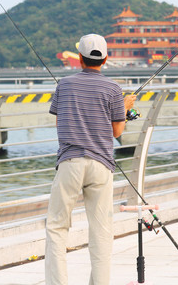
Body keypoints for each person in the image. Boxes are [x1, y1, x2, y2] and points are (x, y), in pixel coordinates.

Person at [45, 34, 137, 285]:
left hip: (70, 162)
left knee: (56, 228)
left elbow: (58, 121)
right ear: (105, 59)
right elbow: (117, 132)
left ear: (79, 59)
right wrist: (125, 109)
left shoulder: (63, 84)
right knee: (101, 232)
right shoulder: (113, 89)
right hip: (101, 165)